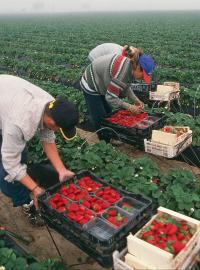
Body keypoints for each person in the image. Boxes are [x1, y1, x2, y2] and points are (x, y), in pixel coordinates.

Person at [0, 75, 79, 226]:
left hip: (7, 96)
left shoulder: (51, 105)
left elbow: (48, 138)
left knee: (19, 157)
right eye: (60, 128)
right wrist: (36, 189)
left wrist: (61, 169)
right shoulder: (19, 123)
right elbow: (11, 164)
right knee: (6, 173)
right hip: (7, 108)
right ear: (51, 122)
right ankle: (26, 203)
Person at [80, 51, 156, 141]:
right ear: (138, 67)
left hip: (102, 81)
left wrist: (136, 100)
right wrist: (129, 107)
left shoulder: (130, 66)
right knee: (100, 116)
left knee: (108, 111)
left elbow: (125, 86)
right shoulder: (123, 73)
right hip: (90, 84)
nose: (143, 78)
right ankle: (104, 142)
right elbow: (110, 97)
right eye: (143, 75)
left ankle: (110, 136)